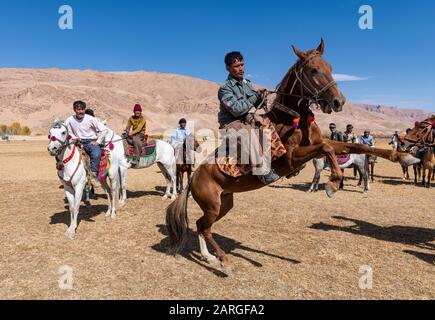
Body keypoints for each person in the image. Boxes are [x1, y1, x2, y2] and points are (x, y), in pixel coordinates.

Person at [218, 51, 278, 185]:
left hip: (245, 118)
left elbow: (255, 103)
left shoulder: (247, 84)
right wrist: (254, 97)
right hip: (230, 122)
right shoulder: (224, 89)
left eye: (242, 65)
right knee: (248, 134)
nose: (241, 69)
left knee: (269, 123)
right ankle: (261, 171)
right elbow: (237, 110)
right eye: (237, 66)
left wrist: (261, 97)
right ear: (228, 68)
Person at [66, 101, 108, 180]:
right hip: (77, 142)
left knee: (96, 154)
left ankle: (93, 175)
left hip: (90, 142)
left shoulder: (91, 119)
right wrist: (74, 137)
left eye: (82, 109)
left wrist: (98, 141)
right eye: (78, 109)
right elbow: (67, 131)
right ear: (74, 110)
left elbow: (104, 130)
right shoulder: (70, 119)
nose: (81, 111)